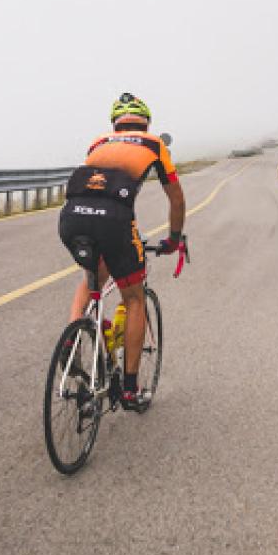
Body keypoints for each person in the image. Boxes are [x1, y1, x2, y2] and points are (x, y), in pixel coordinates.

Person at [58, 92, 186, 410]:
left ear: (116, 123)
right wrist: (173, 238)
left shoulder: (98, 142)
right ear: (146, 122)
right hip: (114, 222)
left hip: (71, 217)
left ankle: (71, 340)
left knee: (92, 280)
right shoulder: (154, 144)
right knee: (133, 299)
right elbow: (177, 199)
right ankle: (129, 388)